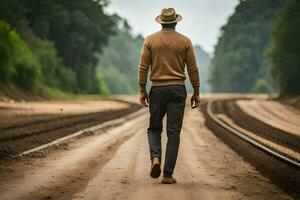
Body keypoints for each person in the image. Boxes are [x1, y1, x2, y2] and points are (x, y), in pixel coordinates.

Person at [138, 7, 200, 184]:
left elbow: (143, 67)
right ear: (175, 22)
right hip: (178, 89)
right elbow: (193, 68)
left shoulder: (150, 40)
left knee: (154, 128)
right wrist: (196, 91)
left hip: (157, 90)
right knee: (174, 133)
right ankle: (167, 175)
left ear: (161, 22)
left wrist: (143, 90)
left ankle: (155, 158)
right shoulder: (185, 41)